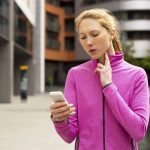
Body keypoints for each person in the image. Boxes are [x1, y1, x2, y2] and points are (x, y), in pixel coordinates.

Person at [50, 8, 149, 150]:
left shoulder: (137, 75)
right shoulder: (75, 75)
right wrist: (59, 120)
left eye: (94, 34)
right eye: (83, 37)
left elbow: (139, 132)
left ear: (112, 33)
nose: (89, 42)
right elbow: (69, 136)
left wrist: (108, 86)